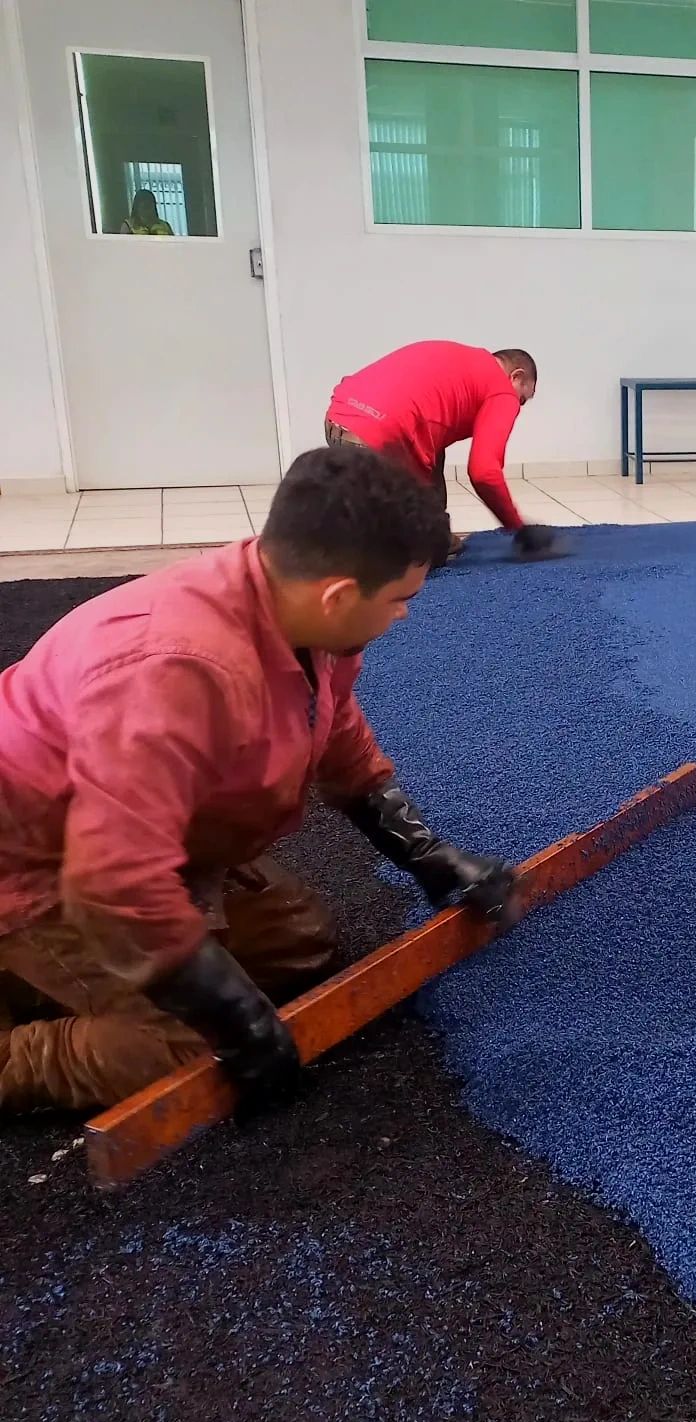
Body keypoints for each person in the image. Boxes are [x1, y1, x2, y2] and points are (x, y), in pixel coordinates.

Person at [0, 445, 524, 1114]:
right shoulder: (176, 669)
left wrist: (425, 853)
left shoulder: (298, 609)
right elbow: (112, 879)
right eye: (400, 598)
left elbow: (334, 730)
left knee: (301, 953)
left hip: (147, 835)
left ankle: (50, 973)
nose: (404, 616)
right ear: (337, 596)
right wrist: (227, 1013)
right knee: (196, 1055)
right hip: (40, 864)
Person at [325, 342, 563, 564]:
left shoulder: (460, 359)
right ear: (516, 376)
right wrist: (519, 529)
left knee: (433, 455)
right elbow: (484, 472)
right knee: (408, 560)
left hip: (338, 419)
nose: (518, 405)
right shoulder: (501, 390)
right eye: (522, 398)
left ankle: (430, 536)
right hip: (378, 440)